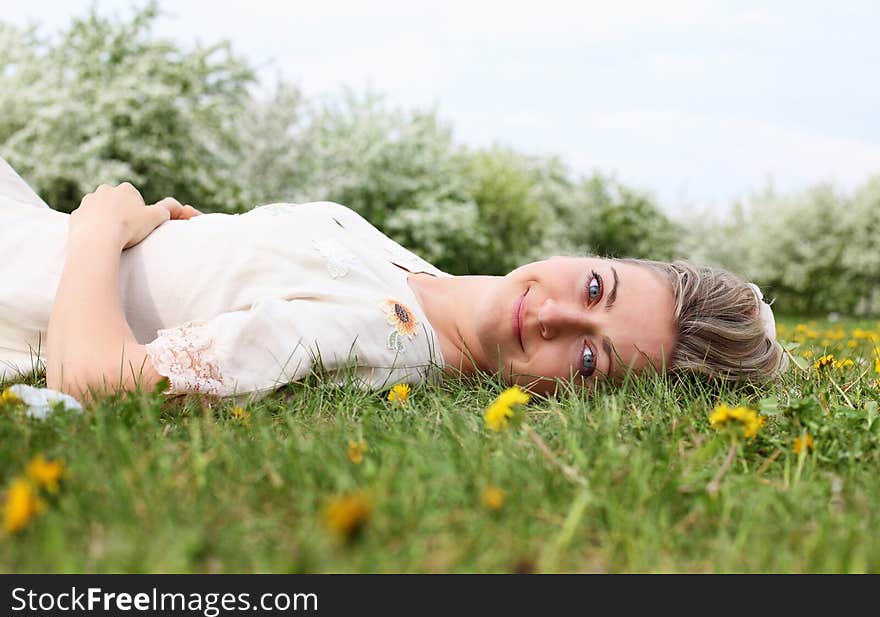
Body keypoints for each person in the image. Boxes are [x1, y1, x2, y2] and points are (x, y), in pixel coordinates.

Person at [0, 158, 786, 405]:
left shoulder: (381, 339)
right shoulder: (424, 284)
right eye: (592, 291)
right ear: (596, 259)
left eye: (589, 360)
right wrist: (181, 235)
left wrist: (99, 232)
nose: (551, 316)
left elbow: (97, 383)